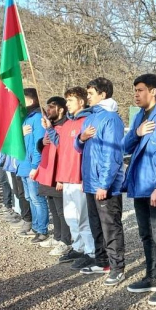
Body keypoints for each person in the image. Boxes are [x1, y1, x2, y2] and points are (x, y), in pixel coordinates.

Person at [122, 73, 156, 304]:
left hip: (155, 187)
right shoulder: (139, 118)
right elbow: (124, 146)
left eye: (140, 90)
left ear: (153, 91)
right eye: (135, 90)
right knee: (145, 235)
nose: (136, 94)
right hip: (139, 184)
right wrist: (137, 132)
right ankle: (151, 276)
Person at [75, 77, 126, 286]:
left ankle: (117, 267)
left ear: (103, 95)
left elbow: (112, 155)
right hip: (90, 182)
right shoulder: (89, 118)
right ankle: (102, 261)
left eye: (91, 93)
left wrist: (104, 184)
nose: (88, 97)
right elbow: (77, 147)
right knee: (96, 225)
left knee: (110, 227)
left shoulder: (111, 119)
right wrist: (81, 138)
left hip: (104, 185)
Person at [55, 87, 96, 269]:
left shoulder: (87, 121)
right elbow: (61, 148)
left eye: (70, 100)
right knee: (71, 216)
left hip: (79, 178)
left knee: (83, 218)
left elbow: (89, 151)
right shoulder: (66, 124)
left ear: (81, 101)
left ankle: (91, 251)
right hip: (67, 177)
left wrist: (84, 178)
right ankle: (78, 247)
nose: (67, 104)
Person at [35, 96, 72, 255]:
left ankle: (66, 241)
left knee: (62, 210)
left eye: (51, 107)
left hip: (58, 176)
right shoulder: (51, 126)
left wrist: (62, 177)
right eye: (47, 106)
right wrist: (40, 143)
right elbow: (45, 149)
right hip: (47, 173)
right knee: (53, 209)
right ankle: (57, 237)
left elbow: (65, 153)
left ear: (61, 109)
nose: (48, 110)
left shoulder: (65, 126)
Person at [17, 88, 49, 243]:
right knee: (29, 197)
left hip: (31, 165)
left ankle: (42, 229)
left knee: (37, 198)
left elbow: (39, 144)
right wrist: (19, 133)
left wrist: (35, 166)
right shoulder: (24, 118)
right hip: (22, 164)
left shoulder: (37, 117)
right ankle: (36, 226)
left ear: (30, 100)